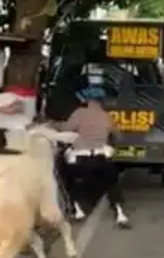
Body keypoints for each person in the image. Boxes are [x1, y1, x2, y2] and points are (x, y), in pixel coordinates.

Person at [52, 75, 130, 229]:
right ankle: (120, 214)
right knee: (113, 183)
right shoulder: (106, 116)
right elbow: (118, 136)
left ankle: (76, 209)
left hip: (80, 160)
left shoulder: (79, 113)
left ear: (86, 100)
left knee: (62, 174)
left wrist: (56, 124)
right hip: (101, 159)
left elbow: (66, 129)